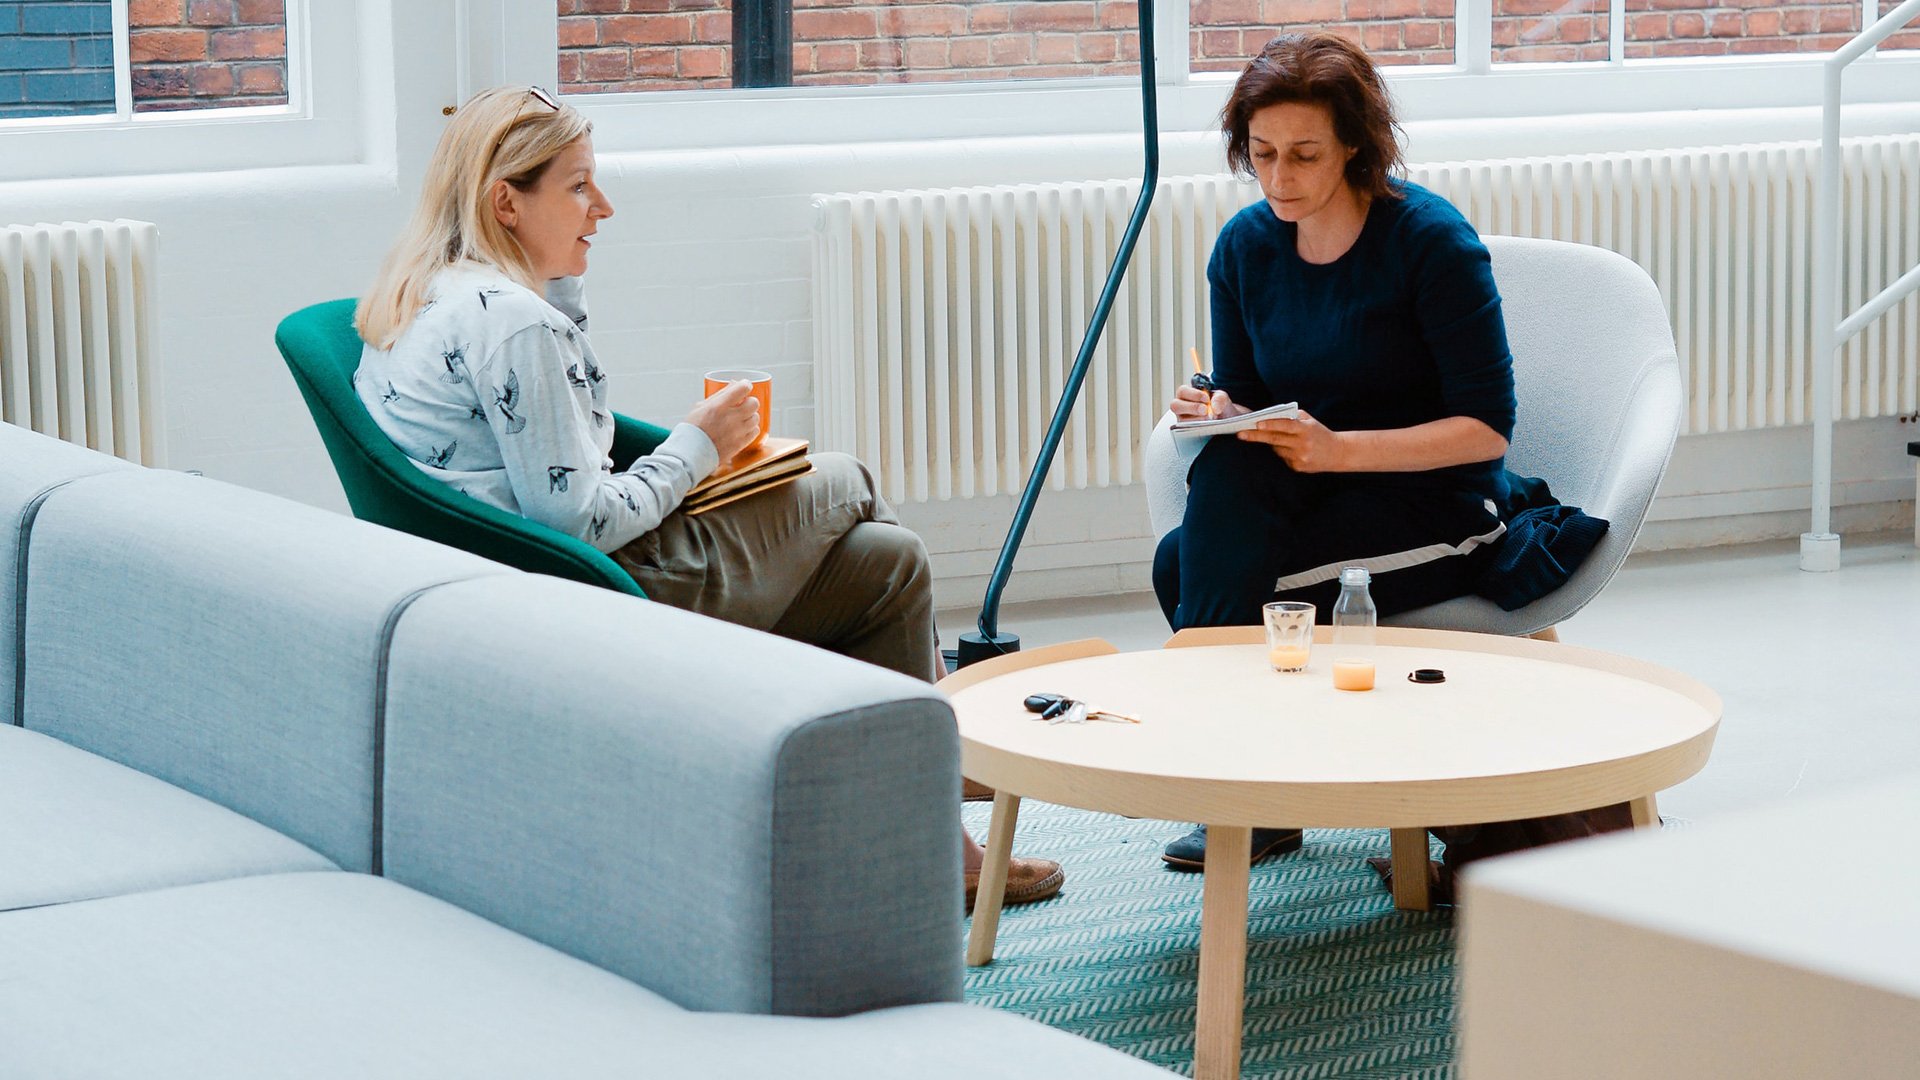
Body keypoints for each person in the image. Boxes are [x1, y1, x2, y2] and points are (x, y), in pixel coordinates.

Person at [352, 85, 1062, 908]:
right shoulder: (517, 326)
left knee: (889, 562)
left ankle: (930, 842)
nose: (603, 206)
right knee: (847, 477)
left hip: (528, 587)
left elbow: (562, 456)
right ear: (505, 201)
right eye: (579, 186)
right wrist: (699, 445)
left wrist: (570, 302)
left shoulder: (440, 294)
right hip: (604, 593)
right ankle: (953, 759)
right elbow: (576, 518)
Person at [1151, 35, 1631, 894]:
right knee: (1185, 545)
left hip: (1437, 505)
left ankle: (1236, 769)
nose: (1279, 177)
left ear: (1354, 147)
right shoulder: (1245, 248)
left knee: (1198, 568)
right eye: (1261, 154)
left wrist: (1338, 451)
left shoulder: (1428, 243)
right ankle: (1247, 766)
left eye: (1304, 154)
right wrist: (1219, 411)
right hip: (1313, 495)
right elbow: (1253, 396)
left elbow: (1486, 430)